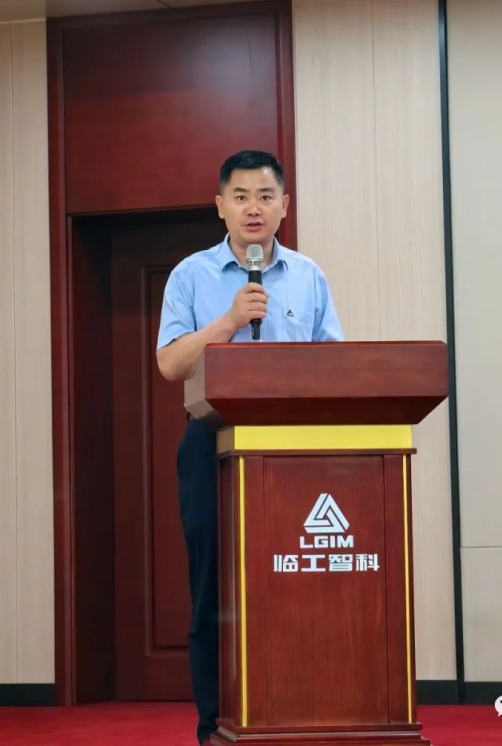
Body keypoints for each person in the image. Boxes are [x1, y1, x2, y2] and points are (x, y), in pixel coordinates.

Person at [156, 150, 343, 745]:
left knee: (295, 585)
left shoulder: (309, 276)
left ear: (284, 206)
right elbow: (170, 364)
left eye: (265, 196)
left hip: (294, 451)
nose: (253, 208)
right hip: (210, 443)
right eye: (240, 197)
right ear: (221, 207)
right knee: (213, 588)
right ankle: (213, 725)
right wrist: (228, 322)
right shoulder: (191, 276)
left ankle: (300, 715)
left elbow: (335, 368)